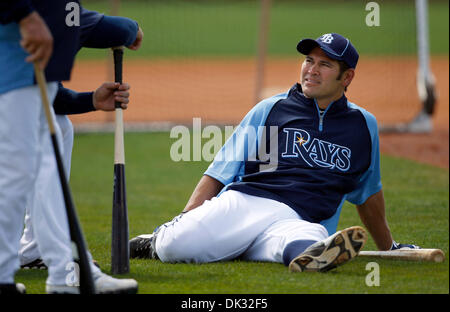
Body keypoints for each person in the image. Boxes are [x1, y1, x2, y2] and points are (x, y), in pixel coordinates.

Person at [129, 33, 419, 272]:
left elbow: (368, 193)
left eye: (325, 64)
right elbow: (220, 171)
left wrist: (388, 248)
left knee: (307, 240)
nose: (311, 70)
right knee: (175, 246)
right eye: (308, 60)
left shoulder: (362, 125)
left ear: (347, 77)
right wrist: (187, 218)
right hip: (248, 201)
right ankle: (156, 240)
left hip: (304, 219)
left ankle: (303, 254)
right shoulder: (272, 109)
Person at [0, 0, 137, 294]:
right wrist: (24, 14)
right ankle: (43, 273)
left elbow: (54, 98)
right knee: (22, 173)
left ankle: (57, 269)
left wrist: (90, 100)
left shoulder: (59, 10)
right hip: (11, 82)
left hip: (28, 86)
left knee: (54, 142)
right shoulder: (53, 10)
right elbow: (118, 29)